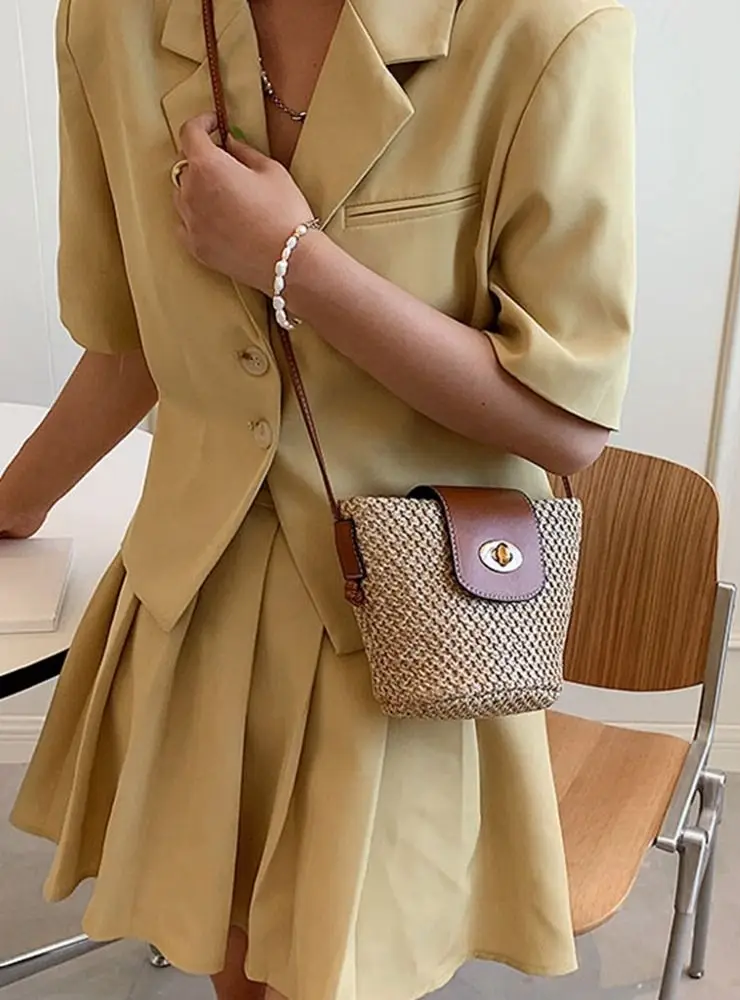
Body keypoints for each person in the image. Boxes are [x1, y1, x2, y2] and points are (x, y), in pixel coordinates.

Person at [0, 1, 636, 999]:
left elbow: (568, 422)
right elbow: (132, 346)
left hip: (402, 626)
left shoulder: (542, 28)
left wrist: (296, 261)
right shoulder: (110, 21)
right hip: (193, 611)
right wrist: (16, 501)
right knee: (236, 968)